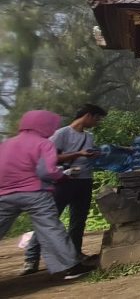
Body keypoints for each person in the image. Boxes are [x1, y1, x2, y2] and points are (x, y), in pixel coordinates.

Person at [0, 110, 96, 280]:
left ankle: (32, 261)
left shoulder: (6, 144)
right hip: (35, 193)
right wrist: (63, 175)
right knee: (50, 228)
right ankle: (70, 267)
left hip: (5, 194)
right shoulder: (43, 144)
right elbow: (47, 172)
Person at [23, 103, 105, 274]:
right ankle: (31, 259)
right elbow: (50, 158)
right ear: (88, 116)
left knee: (78, 220)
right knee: (49, 219)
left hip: (84, 180)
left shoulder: (88, 136)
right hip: (64, 180)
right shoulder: (61, 134)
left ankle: (75, 254)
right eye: (96, 119)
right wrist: (78, 154)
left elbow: (86, 153)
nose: (97, 122)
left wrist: (93, 155)